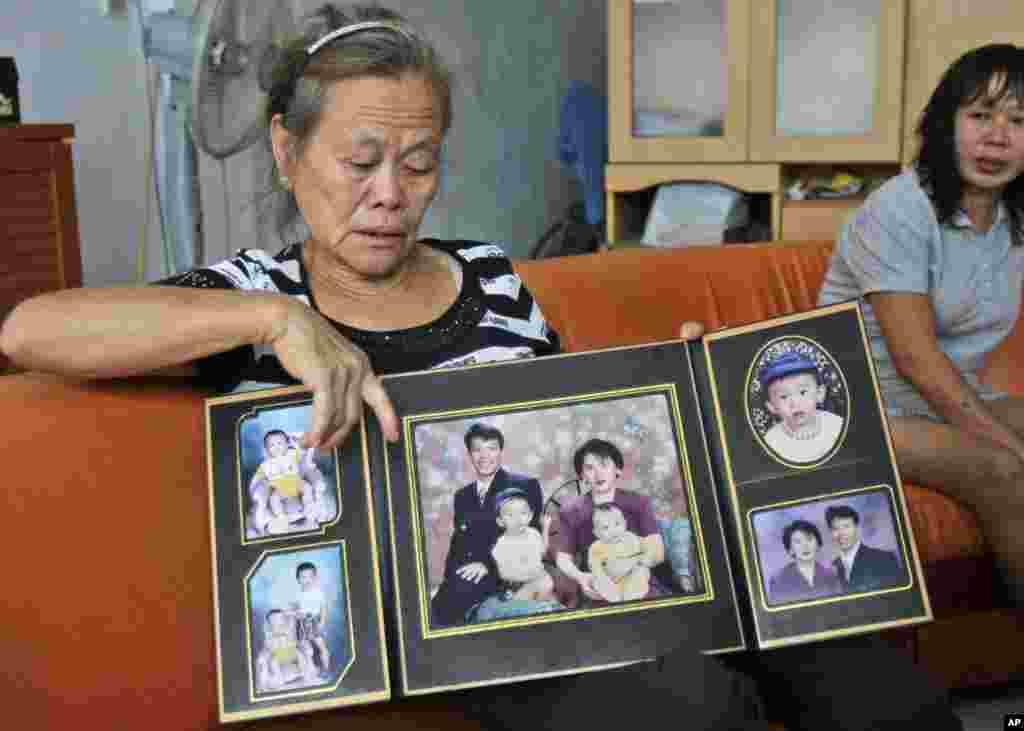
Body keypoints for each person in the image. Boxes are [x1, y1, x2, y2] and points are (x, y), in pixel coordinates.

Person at [0, 4, 961, 730]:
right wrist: (278, 319)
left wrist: (677, 404)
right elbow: (33, 329)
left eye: (417, 163)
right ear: (289, 155)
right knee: (694, 704)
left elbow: (573, 433)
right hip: (487, 635)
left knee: (866, 676)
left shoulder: (492, 276)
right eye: (361, 159)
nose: (389, 195)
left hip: (610, 580)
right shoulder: (248, 292)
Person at [817, 43, 1024, 605]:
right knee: (1003, 469)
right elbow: (915, 358)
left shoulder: (1011, 217)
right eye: (981, 115)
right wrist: (1004, 439)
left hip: (942, 398)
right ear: (946, 124)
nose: (998, 137)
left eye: (1018, 121)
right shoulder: (901, 209)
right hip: (857, 407)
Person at [430, 423, 545, 626]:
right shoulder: (462, 496)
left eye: (491, 448)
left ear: (501, 451)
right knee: (437, 607)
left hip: (506, 573)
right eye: (477, 449)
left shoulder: (524, 485)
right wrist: (449, 579)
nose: (484, 456)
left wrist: (487, 565)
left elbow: (532, 538)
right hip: (466, 576)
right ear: (469, 454)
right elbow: (458, 545)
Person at [553, 438, 668, 604]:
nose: (598, 474)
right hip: (597, 585)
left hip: (639, 581)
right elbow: (563, 558)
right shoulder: (571, 511)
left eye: (604, 465)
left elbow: (657, 549)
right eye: (590, 468)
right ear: (582, 475)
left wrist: (635, 566)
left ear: (618, 470)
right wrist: (581, 578)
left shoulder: (639, 503)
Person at [758, 350, 844, 464]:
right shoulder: (772, 441)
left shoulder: (836, 425)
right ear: (772, 407)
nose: (795, 403)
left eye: (803, 392)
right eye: (784, 397)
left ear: (820, 393)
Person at [249, 429, 332, 536]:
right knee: (274, 499)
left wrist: (299, 440)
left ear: (287, 444)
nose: (277, 447)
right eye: (272, 445)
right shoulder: (265, 464)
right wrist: (259, 484)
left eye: (280, 443)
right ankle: (281, 516)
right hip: (280, 489)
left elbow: (304, 453)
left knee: (307, 488)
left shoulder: (292, 454)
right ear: (267, 449)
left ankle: (309, 506)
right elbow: (258, 477)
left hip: (297, 484)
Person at [490, 489, 556, 602]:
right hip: (518, 586)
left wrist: (545, 528)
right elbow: (502, 573)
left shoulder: (533, 534)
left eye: (523, 513)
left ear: (530, 516)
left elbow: (543, 552)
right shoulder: (502, 545)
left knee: (547, 585)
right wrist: (527, 576)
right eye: (511, 515)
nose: (518, 519)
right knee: (526, 603)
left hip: (540, 580)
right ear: (500, 521)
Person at [825, 505, 904, 593]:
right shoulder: (833, 567)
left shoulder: (884, 558)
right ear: (830, 533)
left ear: (857, 528)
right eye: (835, 529)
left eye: (846, 526)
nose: (841, 533)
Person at [588, 503, 651, 602]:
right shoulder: (596, 547)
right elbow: (596, 568)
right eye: (605, 528)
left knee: (641, 571)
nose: (613, 531)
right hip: (610, 580)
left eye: (617, 524)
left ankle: (631, 597)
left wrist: (642, 560)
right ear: (596, 533)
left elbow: (647, 550)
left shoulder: (631, 538)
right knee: (597, 579)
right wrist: (602, 578)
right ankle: (616, 599)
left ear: (625, 524)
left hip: (631, 575)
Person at [767, 519, 842, 604]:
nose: (805, 546)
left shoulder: (831, 575)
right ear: (790, 549)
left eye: (809, 539)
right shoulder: (778, 580)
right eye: (798, 542)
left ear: (818, 544)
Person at [256, 607, 319, 691]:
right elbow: (267, 647)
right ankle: (278, 677)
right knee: (273, 662)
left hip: (290, 651)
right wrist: (269, 649)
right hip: (277, 654)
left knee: (299, 655)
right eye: (273, 621)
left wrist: (289, 614)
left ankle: (306, 674)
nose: (276, 622)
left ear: (283, 620)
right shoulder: (269, 634)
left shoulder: (288, 627)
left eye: (279, 619)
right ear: (269, 623)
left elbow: (293, 619)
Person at [292, 561, 331, 675]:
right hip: (301, 623)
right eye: (303, 577)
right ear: (298, 579)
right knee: (305, 647)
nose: (307, 580)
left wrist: (322, 621)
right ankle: (311, 669)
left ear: (315, 578)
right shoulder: (297, 594)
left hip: (313, 622)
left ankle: (326, 669)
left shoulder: (318, 592)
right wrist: (294, 614)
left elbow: (323, 608)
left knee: (321, 646)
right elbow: (296, 609)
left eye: (310, 577)